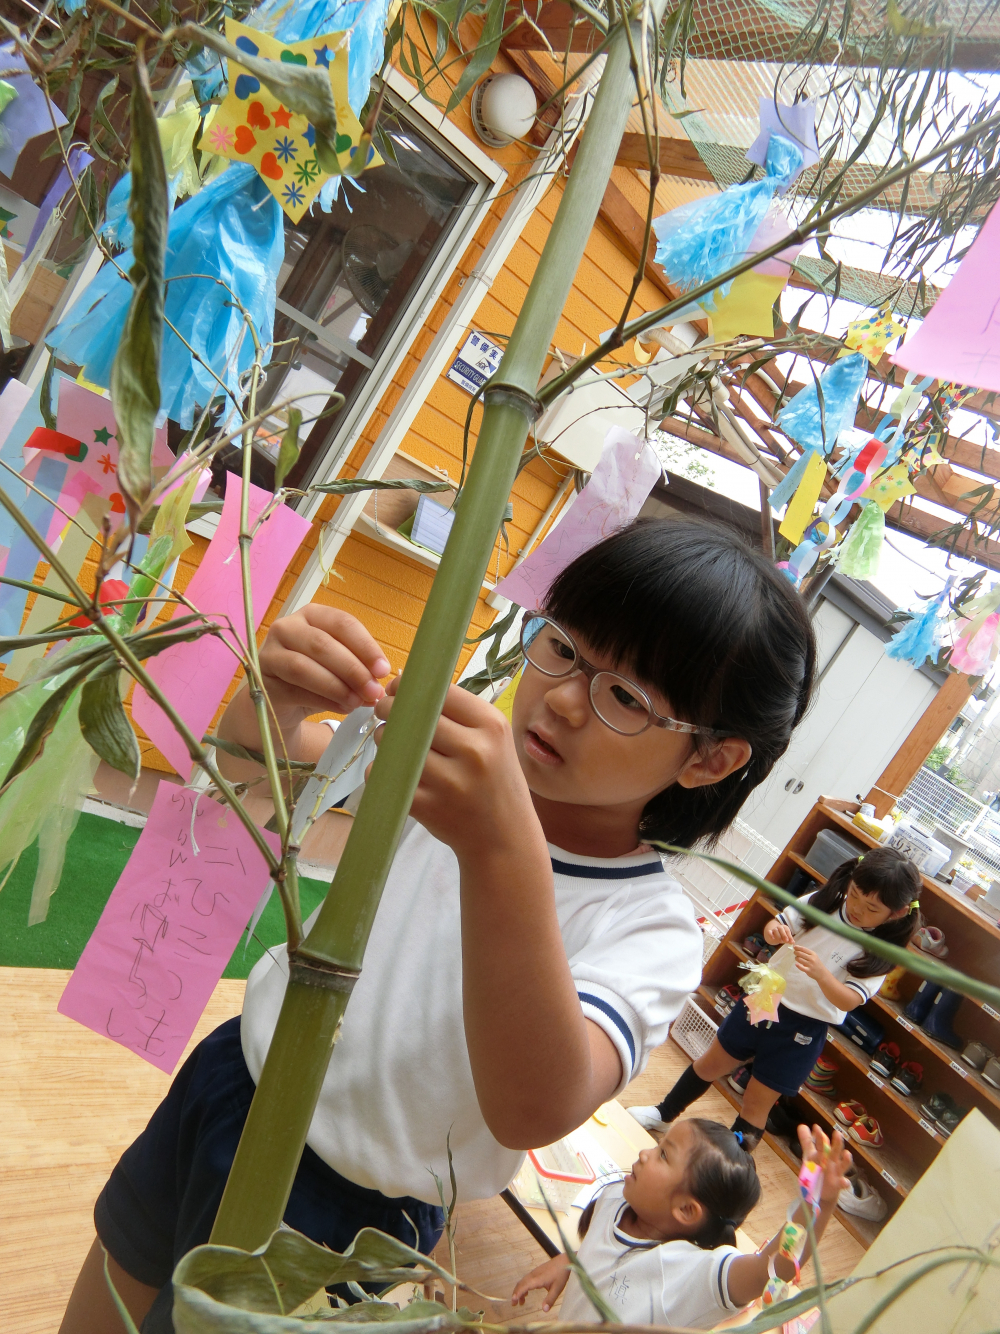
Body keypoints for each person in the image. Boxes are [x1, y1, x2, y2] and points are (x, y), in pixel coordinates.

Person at [60, 517, 815, 1334]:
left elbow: (533, 1109)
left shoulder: (650, 927)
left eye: (626, 698)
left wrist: (499, 844)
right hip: (230, 1082)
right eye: (561, 647)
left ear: (709, 759)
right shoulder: (450, 774)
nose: (562, 699)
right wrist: (271, 698)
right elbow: (257, 761)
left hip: (348, 1211)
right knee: (111, 1287)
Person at [629, 847, 921, 1149]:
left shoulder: (880, 951)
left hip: (805, 1025)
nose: (858, 907)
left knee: (756, 1102)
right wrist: (775, 932)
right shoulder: (822, 901)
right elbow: (770, 931)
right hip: (766, 993)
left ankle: (729, 1167)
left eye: (872, 908)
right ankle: (663, 1114)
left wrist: (822, 974)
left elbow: (848, 1001)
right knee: (711, 1063)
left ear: (896, 913)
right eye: (856, 893)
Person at [511, 1119, 851, 1327]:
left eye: (663, 1154)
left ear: (687, 1211)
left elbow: (773, 1270)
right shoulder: (620, 1196)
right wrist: (571, 1261)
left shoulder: (691, 1277)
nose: (645, 1153)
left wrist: (817, 1202)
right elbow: (604, 1250)